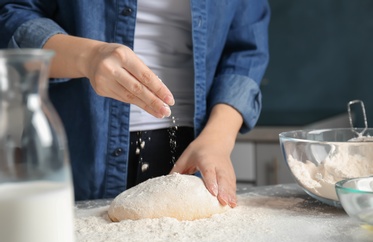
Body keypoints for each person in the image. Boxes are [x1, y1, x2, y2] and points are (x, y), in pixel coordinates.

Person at [0, 0, 270, 207]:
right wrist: (88, 57)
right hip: (79, 148)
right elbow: (11, 15)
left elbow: (247, 48)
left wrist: (219, 138)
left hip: (192, 154)